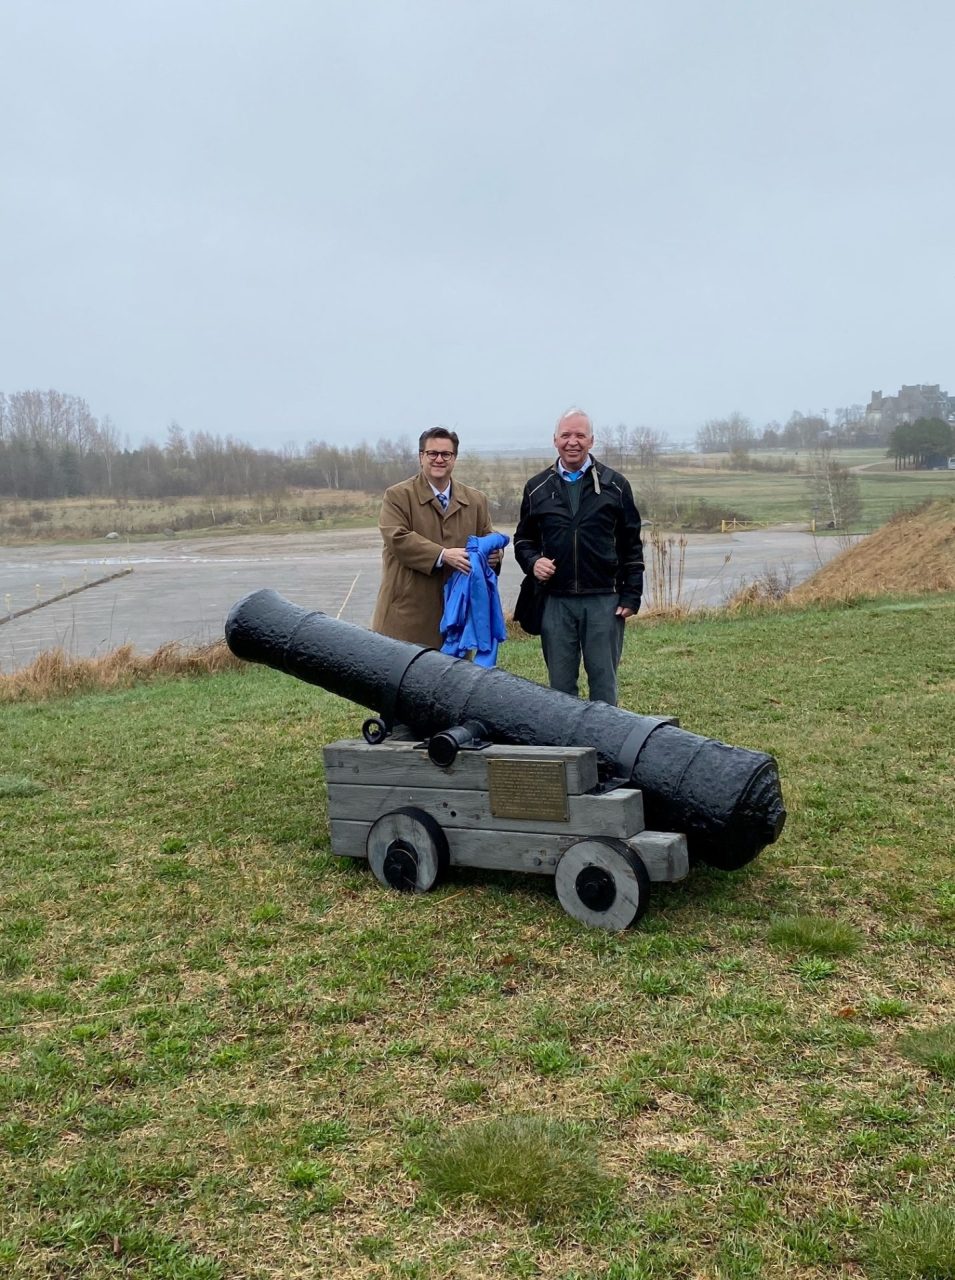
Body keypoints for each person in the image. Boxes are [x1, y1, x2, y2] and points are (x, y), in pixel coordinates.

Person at [514, 408, 643, 706]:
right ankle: (566, 751)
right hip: (555, 601)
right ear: (555, 440)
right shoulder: (537, 488)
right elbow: (523, 540)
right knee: (560, 688)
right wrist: (534, 562)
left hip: (604, 600)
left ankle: (606, 749)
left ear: (592, 441)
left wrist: (631, 595)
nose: (573, 442)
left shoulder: (616, 485)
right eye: (566, 435)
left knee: (603, 682)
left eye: (580, 435)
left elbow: (631, 544)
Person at [371, 428, 499, 649]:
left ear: (454, 458)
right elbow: (397, 538)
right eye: (432, 453)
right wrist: (443, 555)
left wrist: (495, 554)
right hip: (407, 619)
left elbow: (488, 536)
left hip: (457, 619)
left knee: (452, 682)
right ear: (421, 457)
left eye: (446, 454)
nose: (439, 459)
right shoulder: (397, 497)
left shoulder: (476, 501)